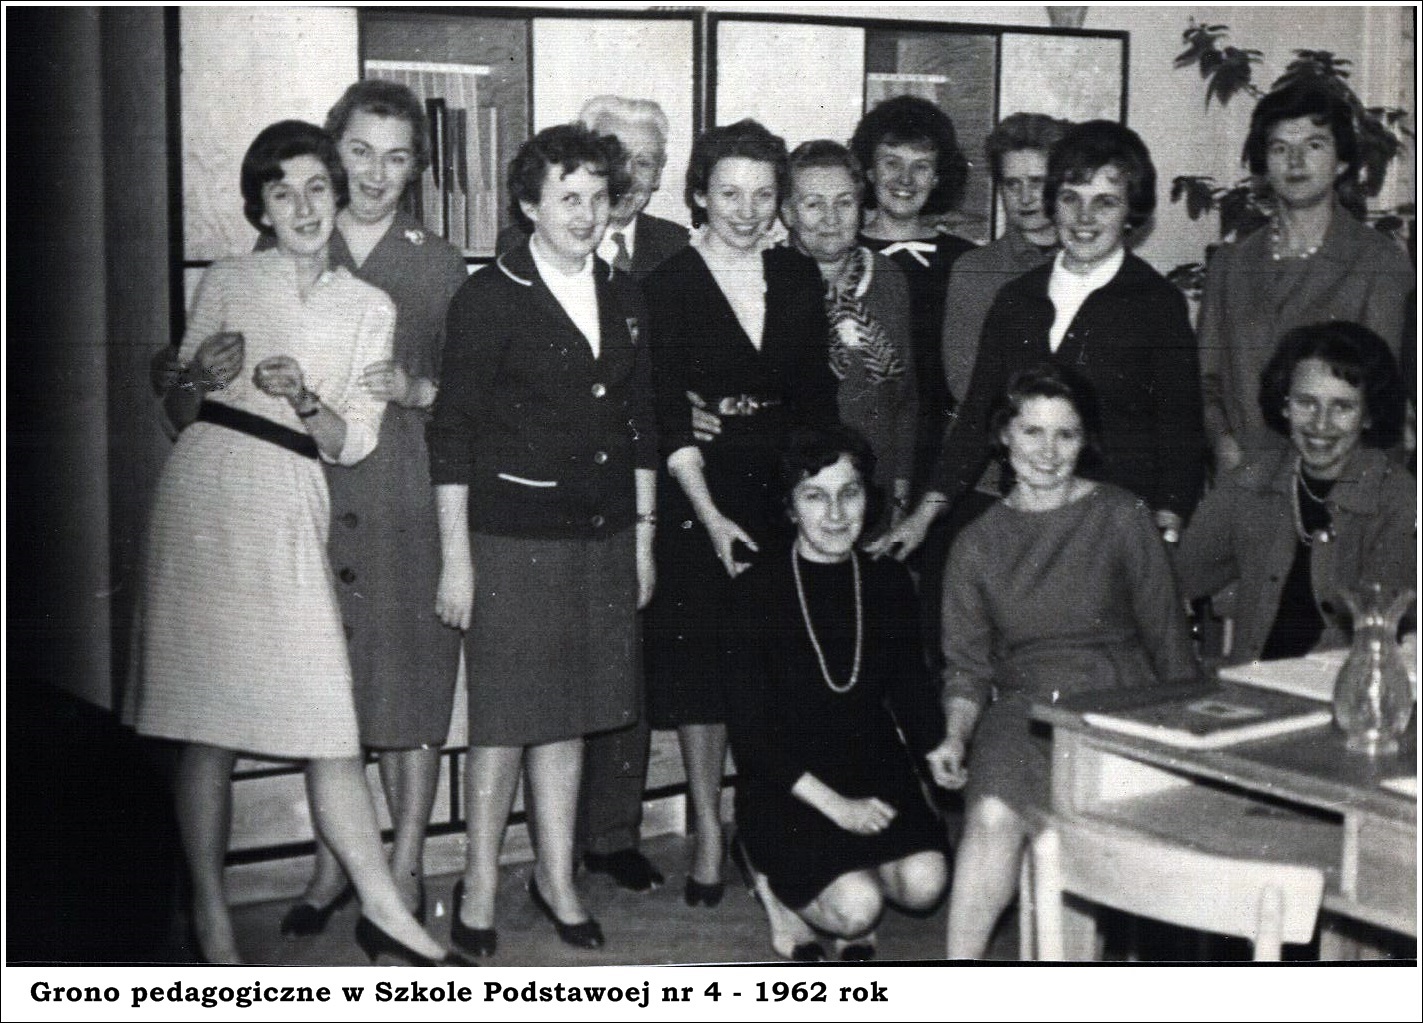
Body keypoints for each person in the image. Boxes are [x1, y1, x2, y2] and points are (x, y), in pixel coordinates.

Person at [128, 120, 462, 966]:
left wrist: (307, 399)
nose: (305, 207)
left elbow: (354, 442)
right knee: (203, 720)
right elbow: (178, 414)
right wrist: (196, 377)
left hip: (290, 492)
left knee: (327, 719)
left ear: (336, 196)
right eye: (284, 193)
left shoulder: (369, 306)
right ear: (262, 209)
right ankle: (210, 920)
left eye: (318, 188)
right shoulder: (230, 279)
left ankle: (385, 907)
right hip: (206, 492)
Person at [429, 123, 657, 955]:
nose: (586, 215)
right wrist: (456, 560)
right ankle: (480, 883)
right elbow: (452, 433)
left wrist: (643, 540)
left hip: (602, 534)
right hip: (511, 537)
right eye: (568, 198)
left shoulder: (623, 293)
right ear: (529, 205)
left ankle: (556, 876)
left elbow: (641, 422)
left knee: (570, 716)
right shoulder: (488, 297)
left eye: (598, 198)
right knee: (503, 722)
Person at [265, 80, 467, 938]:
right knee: (325, 685)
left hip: (401, 493)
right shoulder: (293, 238)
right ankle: (331, 862)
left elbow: (476, 396)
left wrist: (421, 388)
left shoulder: (439, 261)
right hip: (306, 485)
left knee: (407, 685)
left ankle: (406, 860)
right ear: (331, 148)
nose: (376, 174)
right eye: (358, 151)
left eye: (396, 157)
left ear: (417, 167)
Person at [641, 119, 838, 908]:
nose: (747, 211)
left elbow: (815, 396)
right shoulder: (667, 283)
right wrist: (711, 515)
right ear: (698, 195)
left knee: (775, 668)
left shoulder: (796, 276)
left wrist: (818, 498)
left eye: (762, 195)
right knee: (702, 674)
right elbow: (668, 415)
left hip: (782, 488)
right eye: (729, 193)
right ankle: (707, 830)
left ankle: (770, 821)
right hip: (701, 497)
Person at [938, 363, 1198, 958]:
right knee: (992, 817)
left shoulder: (1122, 515)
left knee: (1104, 842)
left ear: (1085, 441)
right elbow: (967, 668)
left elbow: (1169, 643)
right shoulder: (975, 543)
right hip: (1024, 713)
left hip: (1120, 704)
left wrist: (1186, 741)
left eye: (1066, 434)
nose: (1049, 452)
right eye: (1032, 431)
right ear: (1004, 435)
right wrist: (955, 737)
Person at [886, 120, 1204, 562]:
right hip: (1024, 522)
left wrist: (1165, 532)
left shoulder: (1156, 303)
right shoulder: (1018, 299)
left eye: (1105, 202)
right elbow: (978, 414)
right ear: (1054, 204)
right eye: (1071, 198)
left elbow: (1180, 430)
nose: (1085, 218)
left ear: (1131, 212)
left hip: (1115, 535)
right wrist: (924, 515)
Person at [727, 425, 952, 962]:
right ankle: (765, 875)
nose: (834, 513)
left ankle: (851, 876)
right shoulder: (753, 593)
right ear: (790, 507)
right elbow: (752, 737)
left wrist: (939, 749)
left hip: (874, 766)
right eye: (814, 496)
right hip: (790, 782)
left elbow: (911, 688)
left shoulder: (888, 582)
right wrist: (838, 808)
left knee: (926, 885)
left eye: (848, 493)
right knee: (857, 910)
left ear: (867, 499)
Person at [1199, 80, 1413, 473]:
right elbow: (1206, 382)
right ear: (1264, 165)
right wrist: (1222, 444)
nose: (1295, 162)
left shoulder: (1379, 263)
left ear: (1342, 162)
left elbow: (1384, 400)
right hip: (1243, 480)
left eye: (1314, 145)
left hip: (1342, 485)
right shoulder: (1231, 265)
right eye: (1280, 148)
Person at [1177, 321, 1415, 663]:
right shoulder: (1251, 481)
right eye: (1306, 402)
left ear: (1368, 415)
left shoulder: (1399, 500)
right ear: (1285, 405)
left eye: (1342, 407)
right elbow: (1177, 579)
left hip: (1341, 679)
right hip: (1250, 679)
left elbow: (1373, 629)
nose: (1320, 424)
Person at [779, 139, 917, 523]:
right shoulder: (766, 278)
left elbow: (904, 400)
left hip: (874, 487)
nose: (831, 218)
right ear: (788, 212)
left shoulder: (889, 278)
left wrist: (900, 494)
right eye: (813, 204)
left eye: (844, 203)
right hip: (795, 496)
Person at [851, 95, 977, 490]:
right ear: (869, 170)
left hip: (944, 448)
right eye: (892, 163)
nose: (905, 180)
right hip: (858, 444)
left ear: (938, 177)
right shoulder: (841, 252)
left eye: (921, 166)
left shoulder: (967, 260)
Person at [497, 95, 688, 281]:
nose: (628, 177)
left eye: (644, 163)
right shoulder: (522, 242)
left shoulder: (681, 246)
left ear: (658, 172)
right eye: (615, 159)